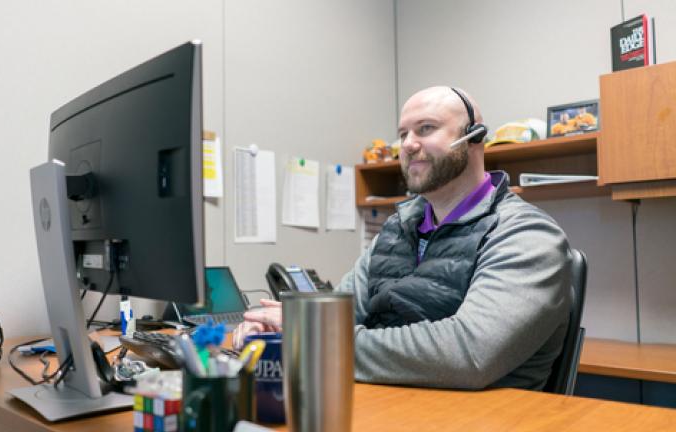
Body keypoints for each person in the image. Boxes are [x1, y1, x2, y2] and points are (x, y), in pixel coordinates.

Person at [234, 86, 571, 390]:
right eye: (402, 134)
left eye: (426, 128)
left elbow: (469, 353)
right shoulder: (397, 228)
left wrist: (312, 336)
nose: (408, 145)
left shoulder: (527, 234)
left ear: (474, 137)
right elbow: (339, 316)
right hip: (393, 405)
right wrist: (279, 330)